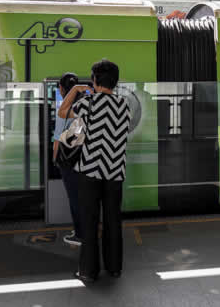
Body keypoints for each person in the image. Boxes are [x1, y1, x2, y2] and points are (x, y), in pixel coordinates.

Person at [58, 60, 131, 282]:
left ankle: (89, 271)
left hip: (89, 172)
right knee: (113, 221)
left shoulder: (88, 103)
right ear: (115, 82)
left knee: (90, 222)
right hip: (115, 173)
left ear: (95, 80)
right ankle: (114, 267)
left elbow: (62, 112)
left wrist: (75, 90)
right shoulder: (125, 104)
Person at [53, 72, 82, 246]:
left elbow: (57, 141)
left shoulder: (63, 111)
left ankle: (80, 234)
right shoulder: (84, 105)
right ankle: (84, 229)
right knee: (83, 197)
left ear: (62, 89)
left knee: (74, 198)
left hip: (69, 161)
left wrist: (55, 160)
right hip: (85, 159)